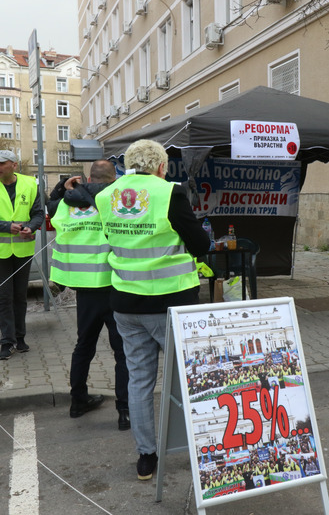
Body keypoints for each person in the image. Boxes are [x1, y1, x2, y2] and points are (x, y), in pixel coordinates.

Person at [97, 140, 211, 480]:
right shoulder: (169, 194)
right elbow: (201, 244)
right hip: (171, 305)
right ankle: (204, 448)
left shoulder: (106, 197)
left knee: (139, 381)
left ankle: (146, 457)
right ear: (161, 167)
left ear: (127, 166)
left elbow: (111, 240)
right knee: (192, 381)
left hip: (125, 305)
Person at [48, 160, 130, 429]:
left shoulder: (67, 204)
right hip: (114, 285)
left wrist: (63, 187)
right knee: (121, 352)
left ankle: (77, 401)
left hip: (84, 288)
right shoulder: (115, 201)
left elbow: (50, 209)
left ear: (87, 178)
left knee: (84, 346)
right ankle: (124, 411)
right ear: (113, 179)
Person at [0, 149, 44, 360]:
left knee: (20, 296)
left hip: (23, 248)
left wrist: (31, 226)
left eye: (0, 163)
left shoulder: (30, 184)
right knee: (4, 296)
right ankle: (6, 341)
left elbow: (38, 213)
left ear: (13, 164)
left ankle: (20, 339)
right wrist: (6, 227)